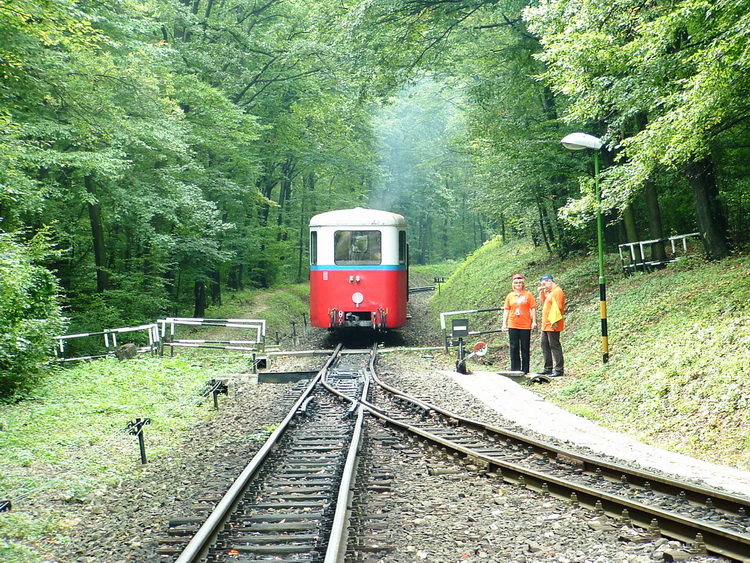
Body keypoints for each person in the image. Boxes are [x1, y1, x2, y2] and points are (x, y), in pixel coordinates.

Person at [501, 274, 537, 374]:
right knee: (514, 347)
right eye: (516, 283)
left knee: (525, 347)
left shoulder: (528, 295)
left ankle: (525, 370)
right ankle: (515, 370)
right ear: (513, 284)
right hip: (513, 324)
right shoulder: (510, 296)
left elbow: (533, 308)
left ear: (523, 284)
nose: (518, 284)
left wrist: (534, 321)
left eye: (520, 283)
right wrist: (504, 323)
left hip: (525, 324)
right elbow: (506, 310)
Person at [537, 274, 565, 377]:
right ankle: (547, 368)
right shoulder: (550, 292)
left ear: (550, 281)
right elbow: (544, 303)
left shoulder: (557, 292)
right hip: (545, 324)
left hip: (553, 323)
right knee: (544, 345)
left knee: (554, 345)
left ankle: (559, 369)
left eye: (544, 284)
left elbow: (559, 308)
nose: (544, 286)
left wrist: (555, 322)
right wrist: (541, 292)